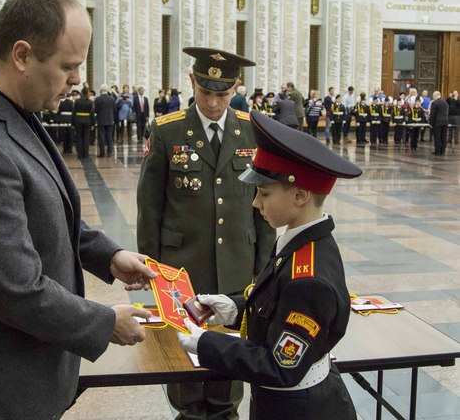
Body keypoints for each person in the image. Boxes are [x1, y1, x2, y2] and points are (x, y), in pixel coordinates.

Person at [0, 0, 156, 419]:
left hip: (27, 373)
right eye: (68, 66)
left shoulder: (8, 110)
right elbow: (15, 289)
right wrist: (105, 323)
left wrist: (108, 255)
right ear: (22, 55)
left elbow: (45, 210)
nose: (77, 80)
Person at [177, 111, 361, 419]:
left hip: (299, 410)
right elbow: (277, 308)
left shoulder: (309, 278)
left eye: (264, 193)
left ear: (300, 195)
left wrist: (207, 344)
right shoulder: (299, 243)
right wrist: (235, 309)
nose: (255, 202)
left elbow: (280, 366)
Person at [137, 47, 276, 420]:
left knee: (228, 370)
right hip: (182, 270)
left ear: (236, 88)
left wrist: (264, 270)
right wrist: (150, 268)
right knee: (185, 369)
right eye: (205, 92)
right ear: (192, 83)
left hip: (236, 267)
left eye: (223, 94)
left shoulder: (252, 129)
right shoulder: (167, 130)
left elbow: (264, 208)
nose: (213, 103)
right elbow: (149, 207)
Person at [94, 84, 116, 157]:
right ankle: (109, 152)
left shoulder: (98, 99)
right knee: (109, 136)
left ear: (101, 90)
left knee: (101, 136)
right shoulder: (111, 99)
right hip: (110, 119)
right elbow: (114, 109)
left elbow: (95, 110)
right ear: (107, 90)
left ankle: (102, 152)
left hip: (101, 120)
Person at [429, 91, 449, 156]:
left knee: (437, 137)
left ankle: (437, 151)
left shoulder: (434, 103)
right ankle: (442, 151)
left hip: (437, 122)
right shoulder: (445, 102)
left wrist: (430, 123)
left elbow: (432, 114)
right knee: (443, 137)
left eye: (433, 96)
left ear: (435, 95)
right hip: (445, 121)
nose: (433, 97)